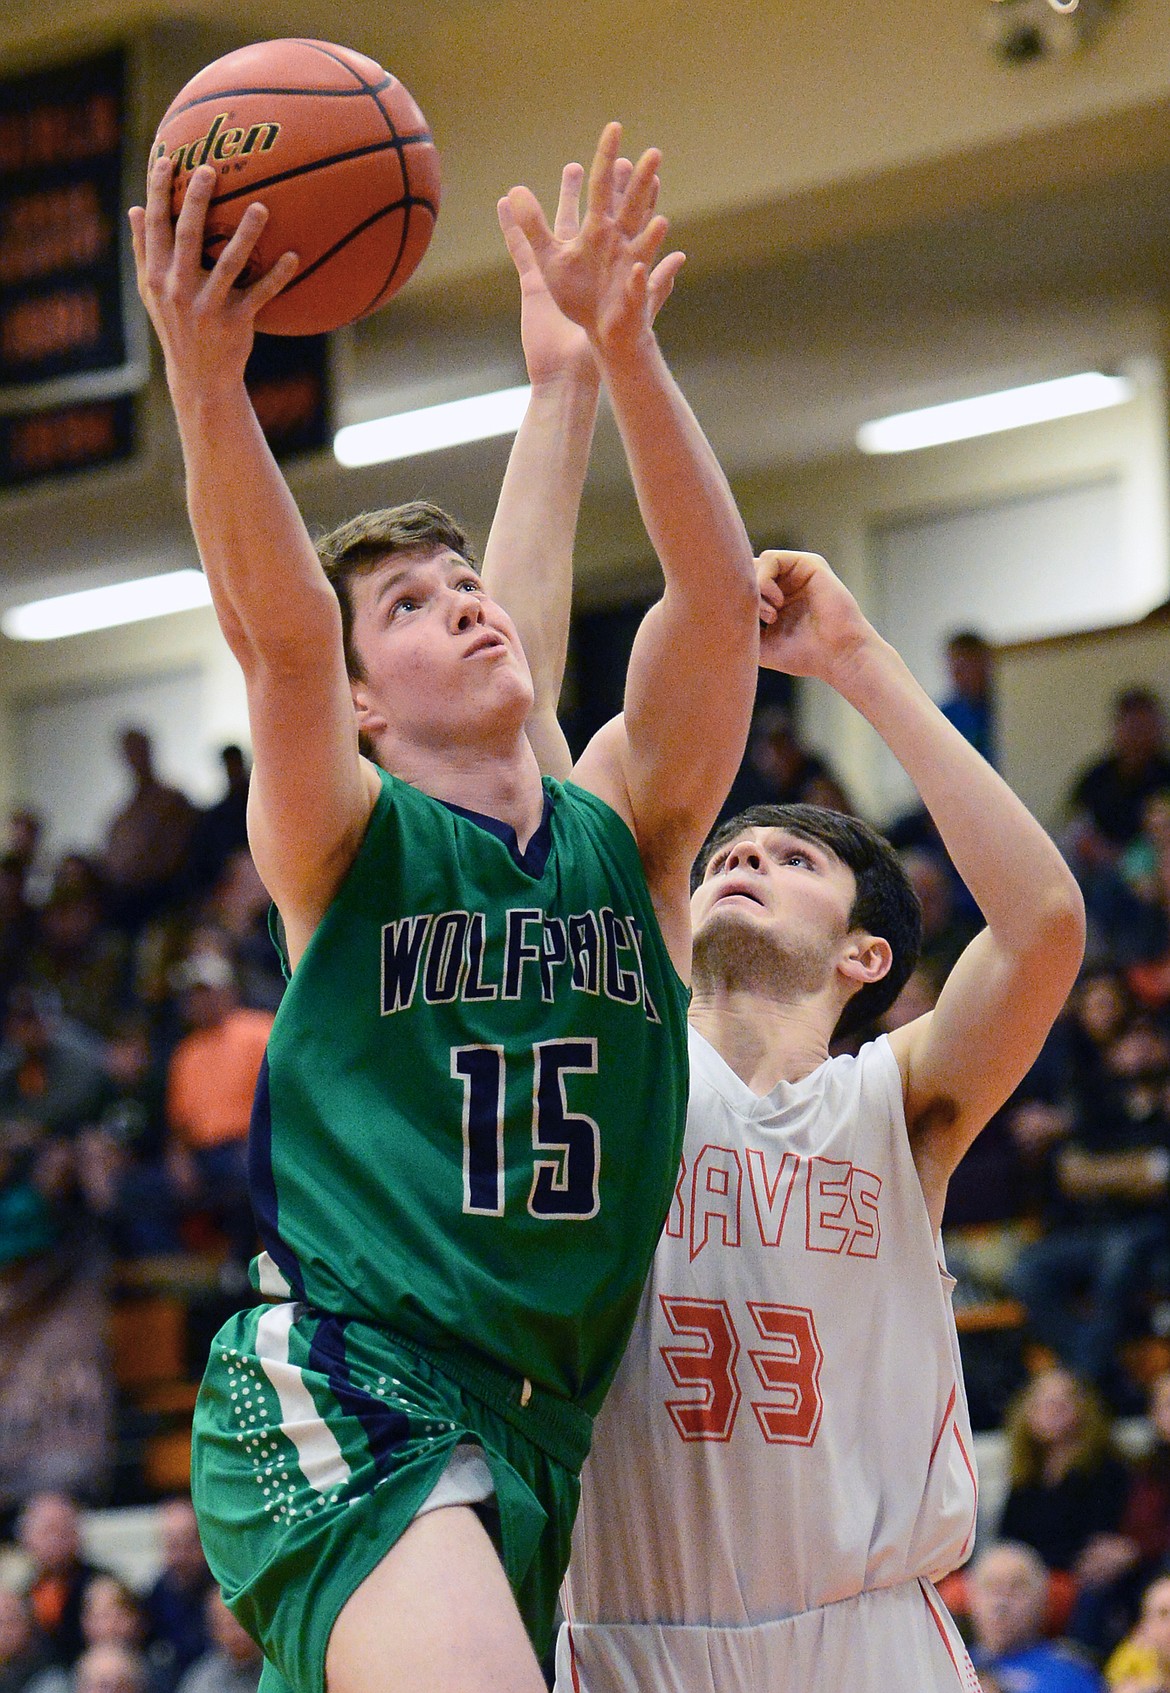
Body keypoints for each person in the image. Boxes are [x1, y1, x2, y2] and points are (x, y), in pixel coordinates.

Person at [129, 121, 758, 1693]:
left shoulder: (634, 831)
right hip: (349, 1380)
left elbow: (713, 604)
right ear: (358, 703)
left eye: (464, 581)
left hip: (533, 1421)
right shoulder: (345, 839)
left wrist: (615, 366)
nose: (465, 601)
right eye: (405, 605)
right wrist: (211, 387)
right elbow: (279, 638)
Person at [488, 503, 1084, 1677]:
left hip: (867, 1635)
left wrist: (858, 660)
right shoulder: (620, 1055)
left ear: (869, 957)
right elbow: (524, 771)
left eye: (792, 858)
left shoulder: (891, 1103)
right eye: (727, 856)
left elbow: (1044, 924)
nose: (745, 857)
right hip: (626, 1640)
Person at [967, 1541, 1104, 1693]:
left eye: (1017, 1588)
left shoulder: (1071, 1675)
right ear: (971, 1598)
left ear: (1043, 1600)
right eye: (992, 1587)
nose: (1001, 1603)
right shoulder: (950, 1663)